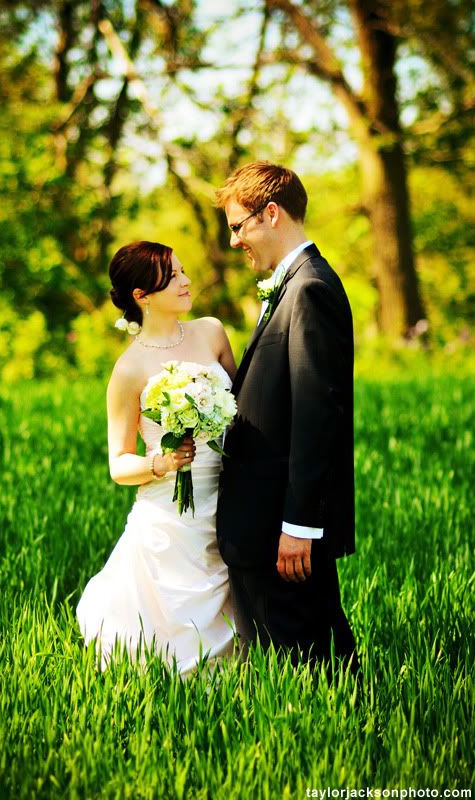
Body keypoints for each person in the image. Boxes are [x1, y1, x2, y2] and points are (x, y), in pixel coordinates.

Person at [214, 161, 358, 670]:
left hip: (283, 530)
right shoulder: (290, 285)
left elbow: (319, 415)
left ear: (270, 214)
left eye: (237, 226)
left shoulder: (309, 289)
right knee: (291, 673)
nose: (234, 242)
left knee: (308, 672)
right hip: (263, 525)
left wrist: (300, 525)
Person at [76, 241, 237, 674]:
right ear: (141, 296)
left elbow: (243, 410)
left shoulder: (212, 332)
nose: (187, 282)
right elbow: (118, 463)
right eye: (174, 277)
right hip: (168, 514)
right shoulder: (129, 369)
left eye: (184, 271)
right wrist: (160, 464)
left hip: (228, 500)